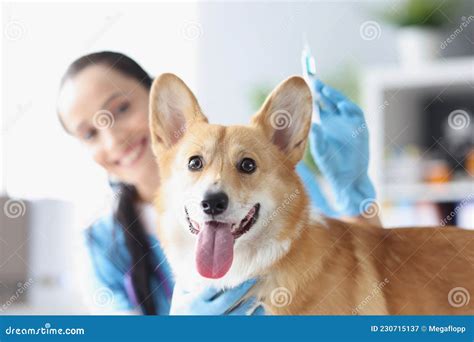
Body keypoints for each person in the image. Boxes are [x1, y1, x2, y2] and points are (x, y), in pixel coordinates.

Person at [57, 51, 379, 315]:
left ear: (161, 107)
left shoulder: (272, 178)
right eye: (89, 132)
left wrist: (353, 191)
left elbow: (366, 278)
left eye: (122, 108)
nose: (114, 138)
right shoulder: (101, 247)